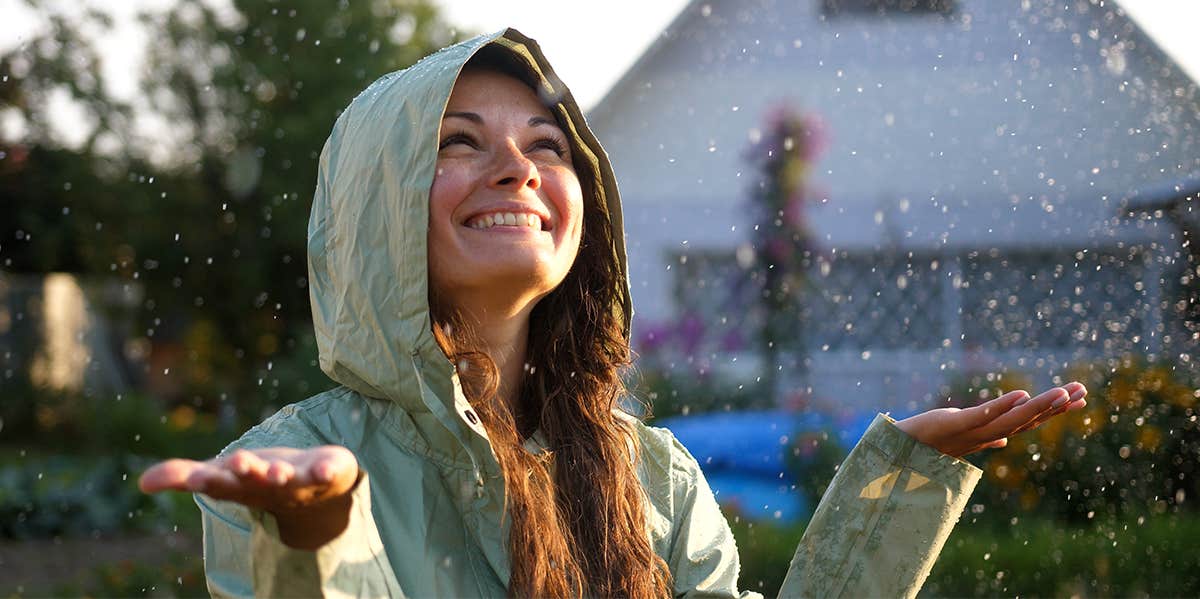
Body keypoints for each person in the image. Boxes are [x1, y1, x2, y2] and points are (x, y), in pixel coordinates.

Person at [139, 29, 1089, 598]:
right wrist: (313, 540)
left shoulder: (651, 474)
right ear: (373, 205)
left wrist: (896, 486)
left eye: (546, 145)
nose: (517, 167)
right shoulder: (294, 470)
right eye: (459, 143)